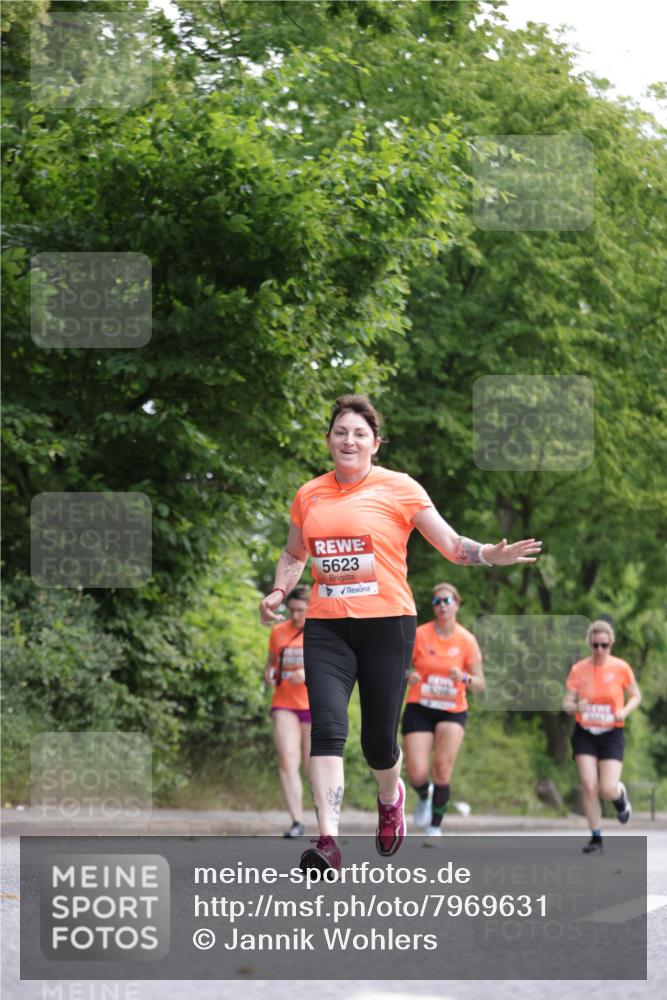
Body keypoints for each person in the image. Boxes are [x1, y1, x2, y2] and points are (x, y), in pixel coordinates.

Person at [258, 394, 541, 874]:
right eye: (341, 432)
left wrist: (488, 555)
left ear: (375, 444)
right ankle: (327, 839)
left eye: (359, 433)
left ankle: (391, 797)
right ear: (329, 440)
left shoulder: (400, 488)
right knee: (327, 727)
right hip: (327, 627)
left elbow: (451, 545)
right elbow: (294, 553)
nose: (349, 440)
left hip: (388, 625)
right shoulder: (309, 494)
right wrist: (280, 590)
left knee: (376, 742)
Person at [402, 582, 485, 835]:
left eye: (447, 600)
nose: (442, 606)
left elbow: (480, 685)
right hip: (421, 706)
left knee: (442, 767)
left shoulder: (467, 640)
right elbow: (400, 667)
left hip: (452, 709)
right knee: (416, 771)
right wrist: (409, 675)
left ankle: (435, 827)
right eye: (437, 602)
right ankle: (424, 794)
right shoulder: (420, 634)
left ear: (456, 604)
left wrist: (464, 678)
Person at [562, 619, 641, 855]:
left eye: (604, 645)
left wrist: (624, 711)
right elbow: (566, 703)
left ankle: (619, 798)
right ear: (589, 644)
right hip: (585, 732)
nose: (599, 650)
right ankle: (596, 838)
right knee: (588, 785)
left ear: (611, 644)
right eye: (595, 645)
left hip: (611, 733)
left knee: (607, 788)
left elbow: (636, 696)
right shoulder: (578, 669)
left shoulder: (621, 668)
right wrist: (577, 706)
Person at [264, 585, 312, 837]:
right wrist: (270, 675)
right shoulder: (279, 632)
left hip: (315, 705)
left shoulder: (321, 633)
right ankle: (297, 821)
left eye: (301, 611)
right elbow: (271, 665)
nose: (295, 616)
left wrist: (308, 674)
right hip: (284, 703)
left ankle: (325, 817)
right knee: (287, 760)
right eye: (292, 610)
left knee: (311, 765)